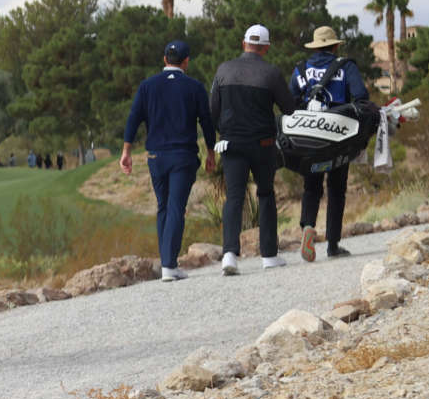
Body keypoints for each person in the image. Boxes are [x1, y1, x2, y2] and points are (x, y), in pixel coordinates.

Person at [120, 40, 216, 281]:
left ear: (164, 60)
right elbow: (206, 122)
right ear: (186, 62)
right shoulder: (194, 87)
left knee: (163, 205)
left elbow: (133, 119)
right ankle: (169, 266)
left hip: (155, 156)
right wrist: (211, 153)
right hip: (182, 156)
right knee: (176, 207)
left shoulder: (147, 86)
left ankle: (167, 263)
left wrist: (126, 151)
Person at [211, 24, 298, 274]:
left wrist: (224, 132)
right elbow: (289, 109)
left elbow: (213, 109)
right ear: (266, 48)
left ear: (244, 43)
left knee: (234, 198)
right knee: (266, 195)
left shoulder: (223, 70)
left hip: (231, 144)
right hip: (263, 144)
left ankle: (229, 254)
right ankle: (269, 255)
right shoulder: (271, 73)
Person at [288, 25, 373, 261]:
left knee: (311, 186)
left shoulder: (301, 69)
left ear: (315, 47)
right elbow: (361, 96)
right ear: (335, 46)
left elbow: (290, 99)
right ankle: (333, 245)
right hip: (338, 136)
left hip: (308, 137)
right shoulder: (346, 67)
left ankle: (307, 227)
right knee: (337, 188)